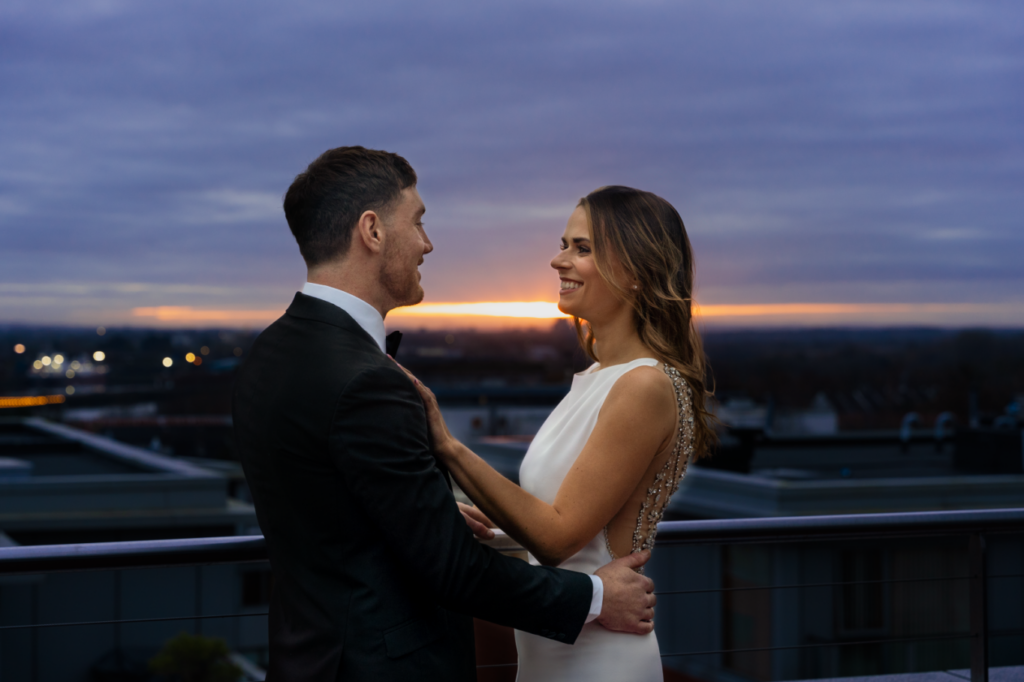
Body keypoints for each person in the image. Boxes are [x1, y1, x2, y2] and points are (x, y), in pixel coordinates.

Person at [232, 148, 658, 682]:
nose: (427, 244)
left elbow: (322, 504)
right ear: (372, 231)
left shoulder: (270, 352)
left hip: (306, 660)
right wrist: (596, 598)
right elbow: (454, 573)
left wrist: (422, 511)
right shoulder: (368, 380)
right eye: (418, 222)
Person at [401, 186, 716, 681]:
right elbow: (551, 515)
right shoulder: (598, 378)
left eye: (581, 248)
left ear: (634, 272)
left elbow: (557, 538)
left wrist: (447, 445)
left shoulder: (643, 385)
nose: (557, 260)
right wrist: (458, 517)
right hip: (552, 648)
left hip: (598, 660)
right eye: (564, 244)